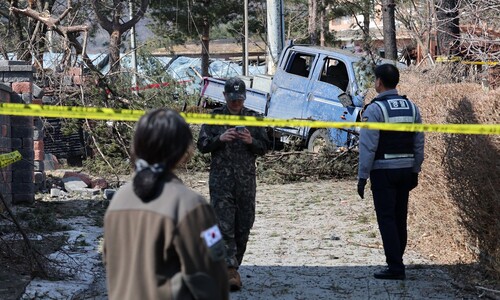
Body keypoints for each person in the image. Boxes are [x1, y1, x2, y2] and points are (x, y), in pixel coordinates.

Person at [103, 108, 229, 300]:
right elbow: (212, 279)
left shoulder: (118, 200)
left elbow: (109, 262)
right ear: (183, 152)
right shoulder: (191, 205)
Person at [197, 77, 269, 291]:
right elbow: (202, 145)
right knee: (223, 224)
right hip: (221, 181)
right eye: (232, 98)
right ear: (225, 96)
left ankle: (233, 265)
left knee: (244, 225)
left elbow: (265, 147)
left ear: (244, 97)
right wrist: (220, 138)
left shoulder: (254, 118)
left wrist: (251, 141)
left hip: (246, 181)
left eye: (239, 98)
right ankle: (228, 270)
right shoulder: (215, 117)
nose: (236, 102)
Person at [357, 64, 425, 280]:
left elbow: (368, 146)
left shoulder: (374, 109)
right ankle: (397, 260)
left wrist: (362, 176)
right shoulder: (412, 107)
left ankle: (395, 267)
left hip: (383, 172)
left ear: (379, 82)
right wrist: (416, 169)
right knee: (399, 218)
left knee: (386, 219)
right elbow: (419, 143)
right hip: (406, 171)